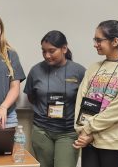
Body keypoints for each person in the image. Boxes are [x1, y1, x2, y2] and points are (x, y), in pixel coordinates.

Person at [73, 20, 118, 167]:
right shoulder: (93, 68)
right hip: (88, 138)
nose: (95, 44)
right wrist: (82, 131)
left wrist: (90, 129)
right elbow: (81, 100)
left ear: (115, 41)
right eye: (94, 40)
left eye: (98, 40)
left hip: (113, 142)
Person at [24, 30, 86, 167]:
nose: (47, 55)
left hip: (68, 133)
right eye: (43, 51)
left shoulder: (79, 71)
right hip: (42, 131)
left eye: (51, 51)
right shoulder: (36, 71)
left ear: (64, 48)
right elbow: (31, 97)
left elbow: (86, 102)